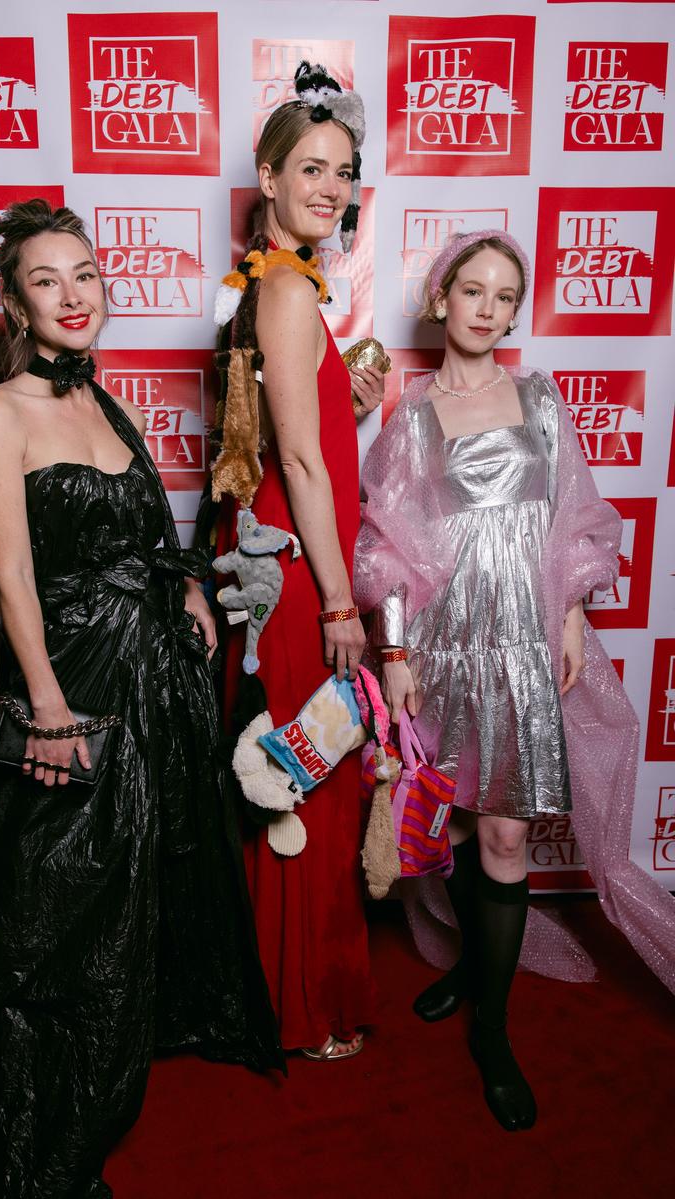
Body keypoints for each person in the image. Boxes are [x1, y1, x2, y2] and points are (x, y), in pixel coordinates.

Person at [0, 199, 282, 1199]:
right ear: (15, 303)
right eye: (46, 280)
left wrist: (185, 588)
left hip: (151, 678)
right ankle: (46, 1105)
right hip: (74, 677)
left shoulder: (104, 400)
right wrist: (47, 708)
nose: (72, 295)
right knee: (56, 896)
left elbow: (141, 530)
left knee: (139, 873)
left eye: (84, 274)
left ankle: (134, 1035)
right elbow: (11, 575)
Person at [354, 228, 675, 1131]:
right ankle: (470, 964)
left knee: (505, 835)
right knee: (451, 822)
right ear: (442, 298)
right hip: (444, 648)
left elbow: (576, 514)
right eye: (473, 291)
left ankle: (492, 1031)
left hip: (523, 647)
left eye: (504, 297)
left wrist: (568, 613)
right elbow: (384, 549)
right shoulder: (412, 416)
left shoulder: (540, 398)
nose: (487, 309)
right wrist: (395, 653)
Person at [206, 63, 383, 1061]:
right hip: (301, 571)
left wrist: (339, 397)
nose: (330, 187)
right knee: (303, 776)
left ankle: (285, 991)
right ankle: (302, 1006)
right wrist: (339, 602)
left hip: (283, 552)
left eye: (343, 171)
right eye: (310, 167)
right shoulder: (281, 286)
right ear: (268, 178)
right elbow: (302, 463)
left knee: (292, 766)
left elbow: (285, 436)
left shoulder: (276, 282)